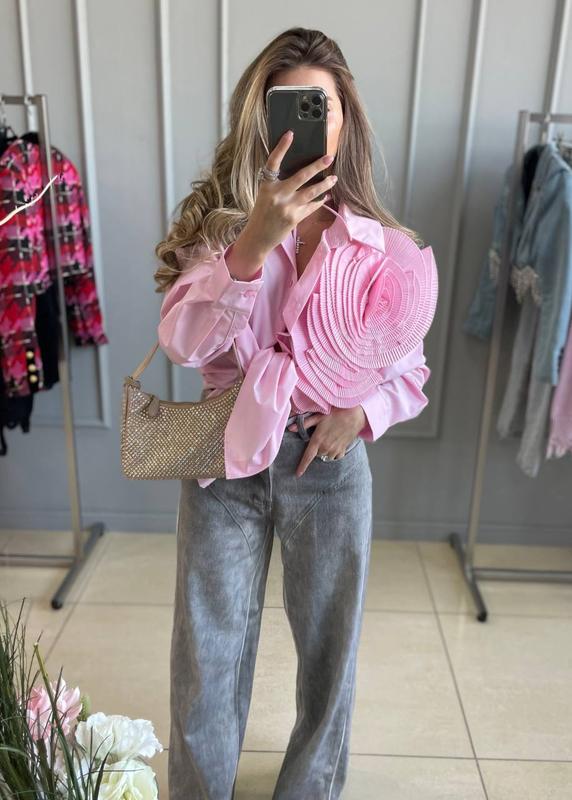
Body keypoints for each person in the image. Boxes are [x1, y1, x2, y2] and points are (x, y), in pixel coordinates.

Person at [153, 26, 438, 800]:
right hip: (221, 456)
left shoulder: (381, 248)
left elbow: (409, 367)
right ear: (262, 116)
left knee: (328, 655)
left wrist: (362, 415)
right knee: (205, 653)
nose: (309, 121)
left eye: (323, 107)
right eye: (290, 105)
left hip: (328, 461)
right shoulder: (222, 226)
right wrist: (252, 246)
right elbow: (182, 343)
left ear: (346, 122)